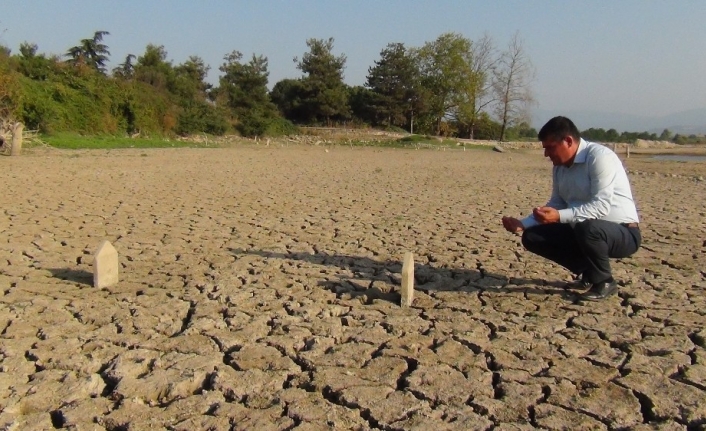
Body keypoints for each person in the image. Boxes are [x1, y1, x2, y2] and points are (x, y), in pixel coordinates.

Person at [501, 116, 641, 301]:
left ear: (568, 141)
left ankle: (605, 281)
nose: (546, 154)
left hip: (622, 233)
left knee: (588, 227)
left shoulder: (599, 157)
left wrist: (558, 216)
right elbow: (557, 203)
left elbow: (601, 207)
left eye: (550, 147)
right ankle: (589, 273)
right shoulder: (560, 167)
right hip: (584, 231)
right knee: (533, 236)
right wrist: (524, 223)